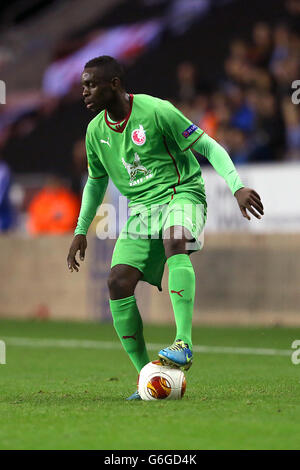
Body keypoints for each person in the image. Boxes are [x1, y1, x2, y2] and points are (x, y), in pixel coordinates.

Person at [67, 56, 264, 400]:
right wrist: (81, 229)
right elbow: (96, 182)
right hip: (140, 210)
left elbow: (207, 144)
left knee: (176, 240)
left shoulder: (157, 111)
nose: (84, 91)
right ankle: (147, 376)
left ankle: (183, 342)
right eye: (83, 85)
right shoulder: (95, 132)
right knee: (117, 282)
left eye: (91, 84)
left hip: (181, 192)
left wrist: (236, 186)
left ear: (113, 84)